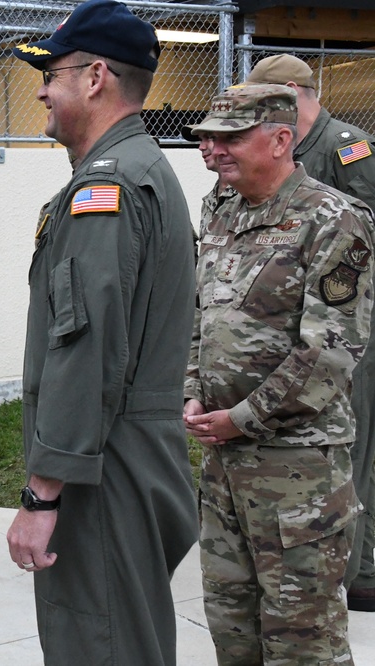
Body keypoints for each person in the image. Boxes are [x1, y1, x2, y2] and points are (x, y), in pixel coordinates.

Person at [5, 2, 199, 663]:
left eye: (51, 72)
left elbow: (86, 350)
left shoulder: (108, 187)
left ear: (94, 78)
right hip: (120, 454)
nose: (41, 89)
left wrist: (43, 491)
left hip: (103, 468)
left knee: (101, 642)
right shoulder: (134, 173)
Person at [184, 83, 374, 664]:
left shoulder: (334, 217)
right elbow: (201, 316)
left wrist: (243, 418)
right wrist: (193, 391)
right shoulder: (222, 210)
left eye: (230, 138)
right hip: (224, 462)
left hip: (299, 469)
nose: (212, 149)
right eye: (207, 138)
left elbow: (331, 350)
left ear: (280, 139)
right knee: (232, 625)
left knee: (302, 640)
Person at [245, 53, 375, 613]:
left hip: (344, 327)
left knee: (354, 443)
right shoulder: (283, 142)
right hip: (294, 326)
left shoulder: (347, 145)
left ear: (297, 93)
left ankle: (361, 570)